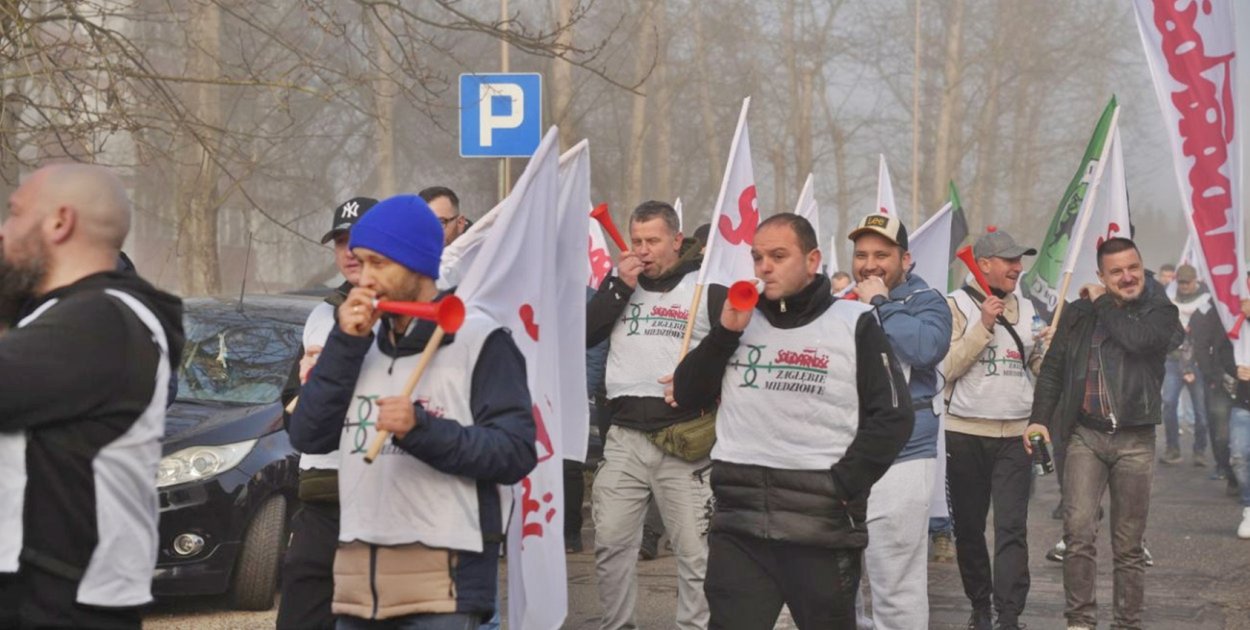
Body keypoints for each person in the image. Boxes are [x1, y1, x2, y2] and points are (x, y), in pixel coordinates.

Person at [288, 194, 537, 628]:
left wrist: (421, 429)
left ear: (417, 262)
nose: (364, 279)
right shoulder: (354, 341)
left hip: (442, 584)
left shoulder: (481, 340)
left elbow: (515, 451)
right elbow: (309, 435)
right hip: (358, 581)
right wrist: (345, 346)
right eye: (359, 263)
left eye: (379, 264)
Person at [672, 213, 913, 628]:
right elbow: (687, 392)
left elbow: (893, 416)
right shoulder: (738, 321)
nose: (764, 266)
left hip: (818, 526)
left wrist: (843, 485)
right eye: (757, 257)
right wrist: (725, 333)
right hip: (740, 525)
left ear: (812, 260)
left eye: (779, 255)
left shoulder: (854, 323)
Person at [0, 164, 185, 629]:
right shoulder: (58, 318)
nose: (4, 231)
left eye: (14, 214)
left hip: (63, 606)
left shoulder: (103, 320)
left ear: (60, 222)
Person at [1027, 237, 1182, 630]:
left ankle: (1126, 623)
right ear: (1100, 275)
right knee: (1077, 533)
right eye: (1116, 271)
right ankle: (1080, 621)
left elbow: (1137, 339)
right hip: (1085, 437)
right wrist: (1039, 418)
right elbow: (1054, 369)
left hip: (1135, 440)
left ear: (1141, 265)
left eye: (1133, 267)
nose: (1127, 277)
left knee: (1129, 544)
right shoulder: (1079, 313)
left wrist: (1100, 301)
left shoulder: (1159, 309)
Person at [585, 200, 719, 630]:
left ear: (677, 241)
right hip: (624, 436)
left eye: (653, 241)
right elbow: (584, 334)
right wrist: (619, 288)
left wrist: (699, 383)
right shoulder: (621, 283)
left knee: (695, 553)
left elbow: (730, 351)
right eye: (636, 240)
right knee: (610, 544)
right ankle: (617, 624)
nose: (642, 250)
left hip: (683, 439)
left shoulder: (705, 286)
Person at [846, 213, 952, 629]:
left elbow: (925, 347)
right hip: (846, 457)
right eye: (861, 255)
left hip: (904, 457)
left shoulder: (928, 302)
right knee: (837, 578)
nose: (869, 264)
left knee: (896, 584)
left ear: (905, 259)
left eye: (881, 255)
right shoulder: (840, 304)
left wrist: (880, 304)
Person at [276, 196, 377, 630]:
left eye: (359, 241)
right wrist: (304, 397)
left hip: (380, 500)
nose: (349, 252)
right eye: (340, 242)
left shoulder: (408, 313)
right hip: (319, 496)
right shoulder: (319, 313)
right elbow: (292, 404)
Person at [941, 228, 1043, 630]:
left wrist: (1047, 350)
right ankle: (979, 606)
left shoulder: (1028, 306)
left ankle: (1010, 614)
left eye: (1020, 260)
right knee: (968, 528)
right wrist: (982, 326)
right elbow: (945, 368)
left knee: (1012, 528)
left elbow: (1035, 366)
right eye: (1010, 260)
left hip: (1015, 436)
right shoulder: (953, 305)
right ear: (984, 264)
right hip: (963, 434)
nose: (1019, 267)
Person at [1160, 264, 1212, 466]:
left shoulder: (1206, 300)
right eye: (1180, 282)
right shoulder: (1168, 296)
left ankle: (1200, 450)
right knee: (1169, 404)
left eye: (1187, 282)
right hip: (1173, 359)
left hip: (1197, 360)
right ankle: (1173, 449)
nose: (1183, 286)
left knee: (1201, 410)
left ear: (1195, 281)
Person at [1220, 297, 1250, 538]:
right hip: (1244, 402)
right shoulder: (1235, 321)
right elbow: (1222, 350)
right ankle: (1249, 508)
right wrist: (1234, 368)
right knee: (1238, 456)